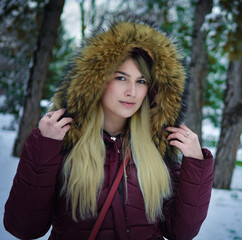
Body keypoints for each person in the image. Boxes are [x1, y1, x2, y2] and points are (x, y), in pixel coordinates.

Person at [3, 16, 214, 239]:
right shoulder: (63, 144)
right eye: (121, 78)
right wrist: (44, 146)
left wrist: (196, 163)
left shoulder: (158, 150)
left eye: (141, 81)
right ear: (98, 80)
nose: (132, 91)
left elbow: (181, 232)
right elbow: (24, 228)